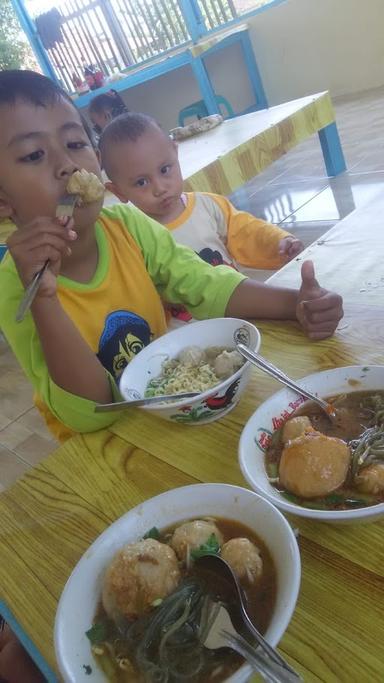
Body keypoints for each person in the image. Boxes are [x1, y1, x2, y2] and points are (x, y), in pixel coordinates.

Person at [0, 69, 343, 447]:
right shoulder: (16, 284)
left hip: (168, 405)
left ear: (96, 160)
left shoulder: (127, 225)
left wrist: (295, 304)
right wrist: (45, 300)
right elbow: (91, 412)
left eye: (75, 144)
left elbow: (205, 285)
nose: (67, 165)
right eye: (33, 154)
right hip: (105, 445)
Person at [100, 112, 304, 273]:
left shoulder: (207, 206)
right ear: (118, 191)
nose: (160, 188)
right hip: (185, 325)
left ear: (175, 152)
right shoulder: (131, 237)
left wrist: (279, 242)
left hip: (238, 310)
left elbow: (247, 231)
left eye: (164, 170)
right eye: (141, 182)